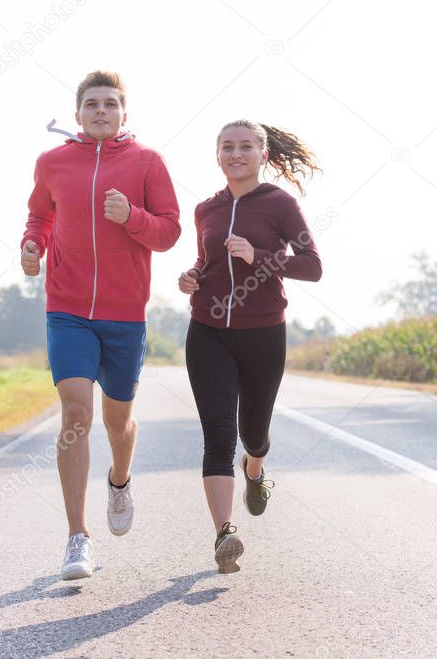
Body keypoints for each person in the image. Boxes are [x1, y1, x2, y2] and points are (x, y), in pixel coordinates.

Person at [21, 70, 181, 580]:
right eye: (92, 104)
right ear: (77, 114)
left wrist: (131, 215)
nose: (101, 111)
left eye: (111, 104)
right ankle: (77, 537)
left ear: (124, 115)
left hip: (124, 315)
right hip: (66, 309)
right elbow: (39, 218)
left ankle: (119, 479)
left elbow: (169, 232)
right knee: (75, 414)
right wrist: (32, 248)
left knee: (118, 423)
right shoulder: (52, 162)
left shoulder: (147, 163)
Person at [178, 120, 322, 573]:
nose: (235, 154)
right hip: (208, 332)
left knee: (252, 433)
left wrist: (257, 257)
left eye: (245, 147)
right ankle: (225, 534)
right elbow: (205, 262)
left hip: (263, 333)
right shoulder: (206, 209)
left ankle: (254, 469)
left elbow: (312, 266)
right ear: (216, 155)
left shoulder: (280, 204)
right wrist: (191, 277)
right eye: (227, 147)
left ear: (262, 154)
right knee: (218, 433)